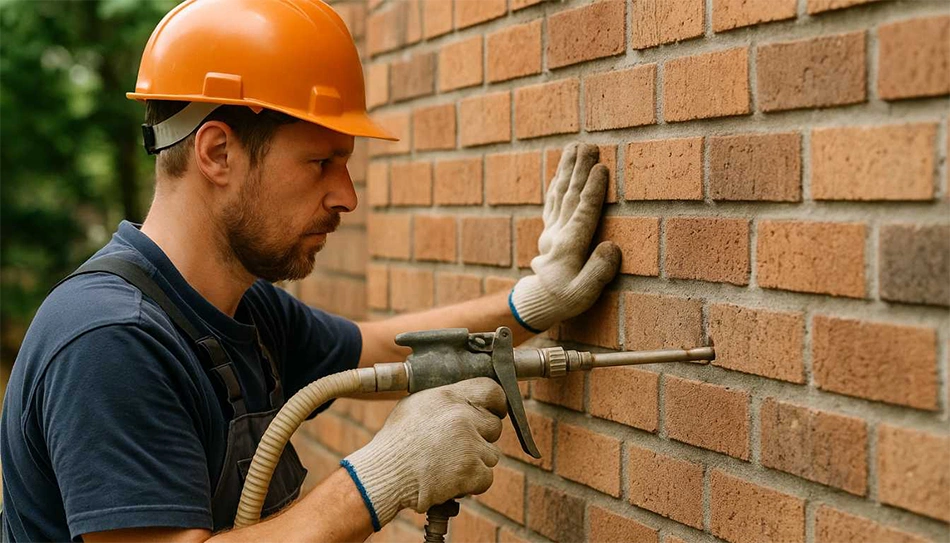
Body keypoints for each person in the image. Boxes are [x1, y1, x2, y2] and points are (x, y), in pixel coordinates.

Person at [0, 0, 621, 541]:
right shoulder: (110, 341)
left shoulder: (239, 307)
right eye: (321, 161)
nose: (347, 195)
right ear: (218, 151)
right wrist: (383, 476)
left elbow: (381, 347)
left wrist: (532, 303)